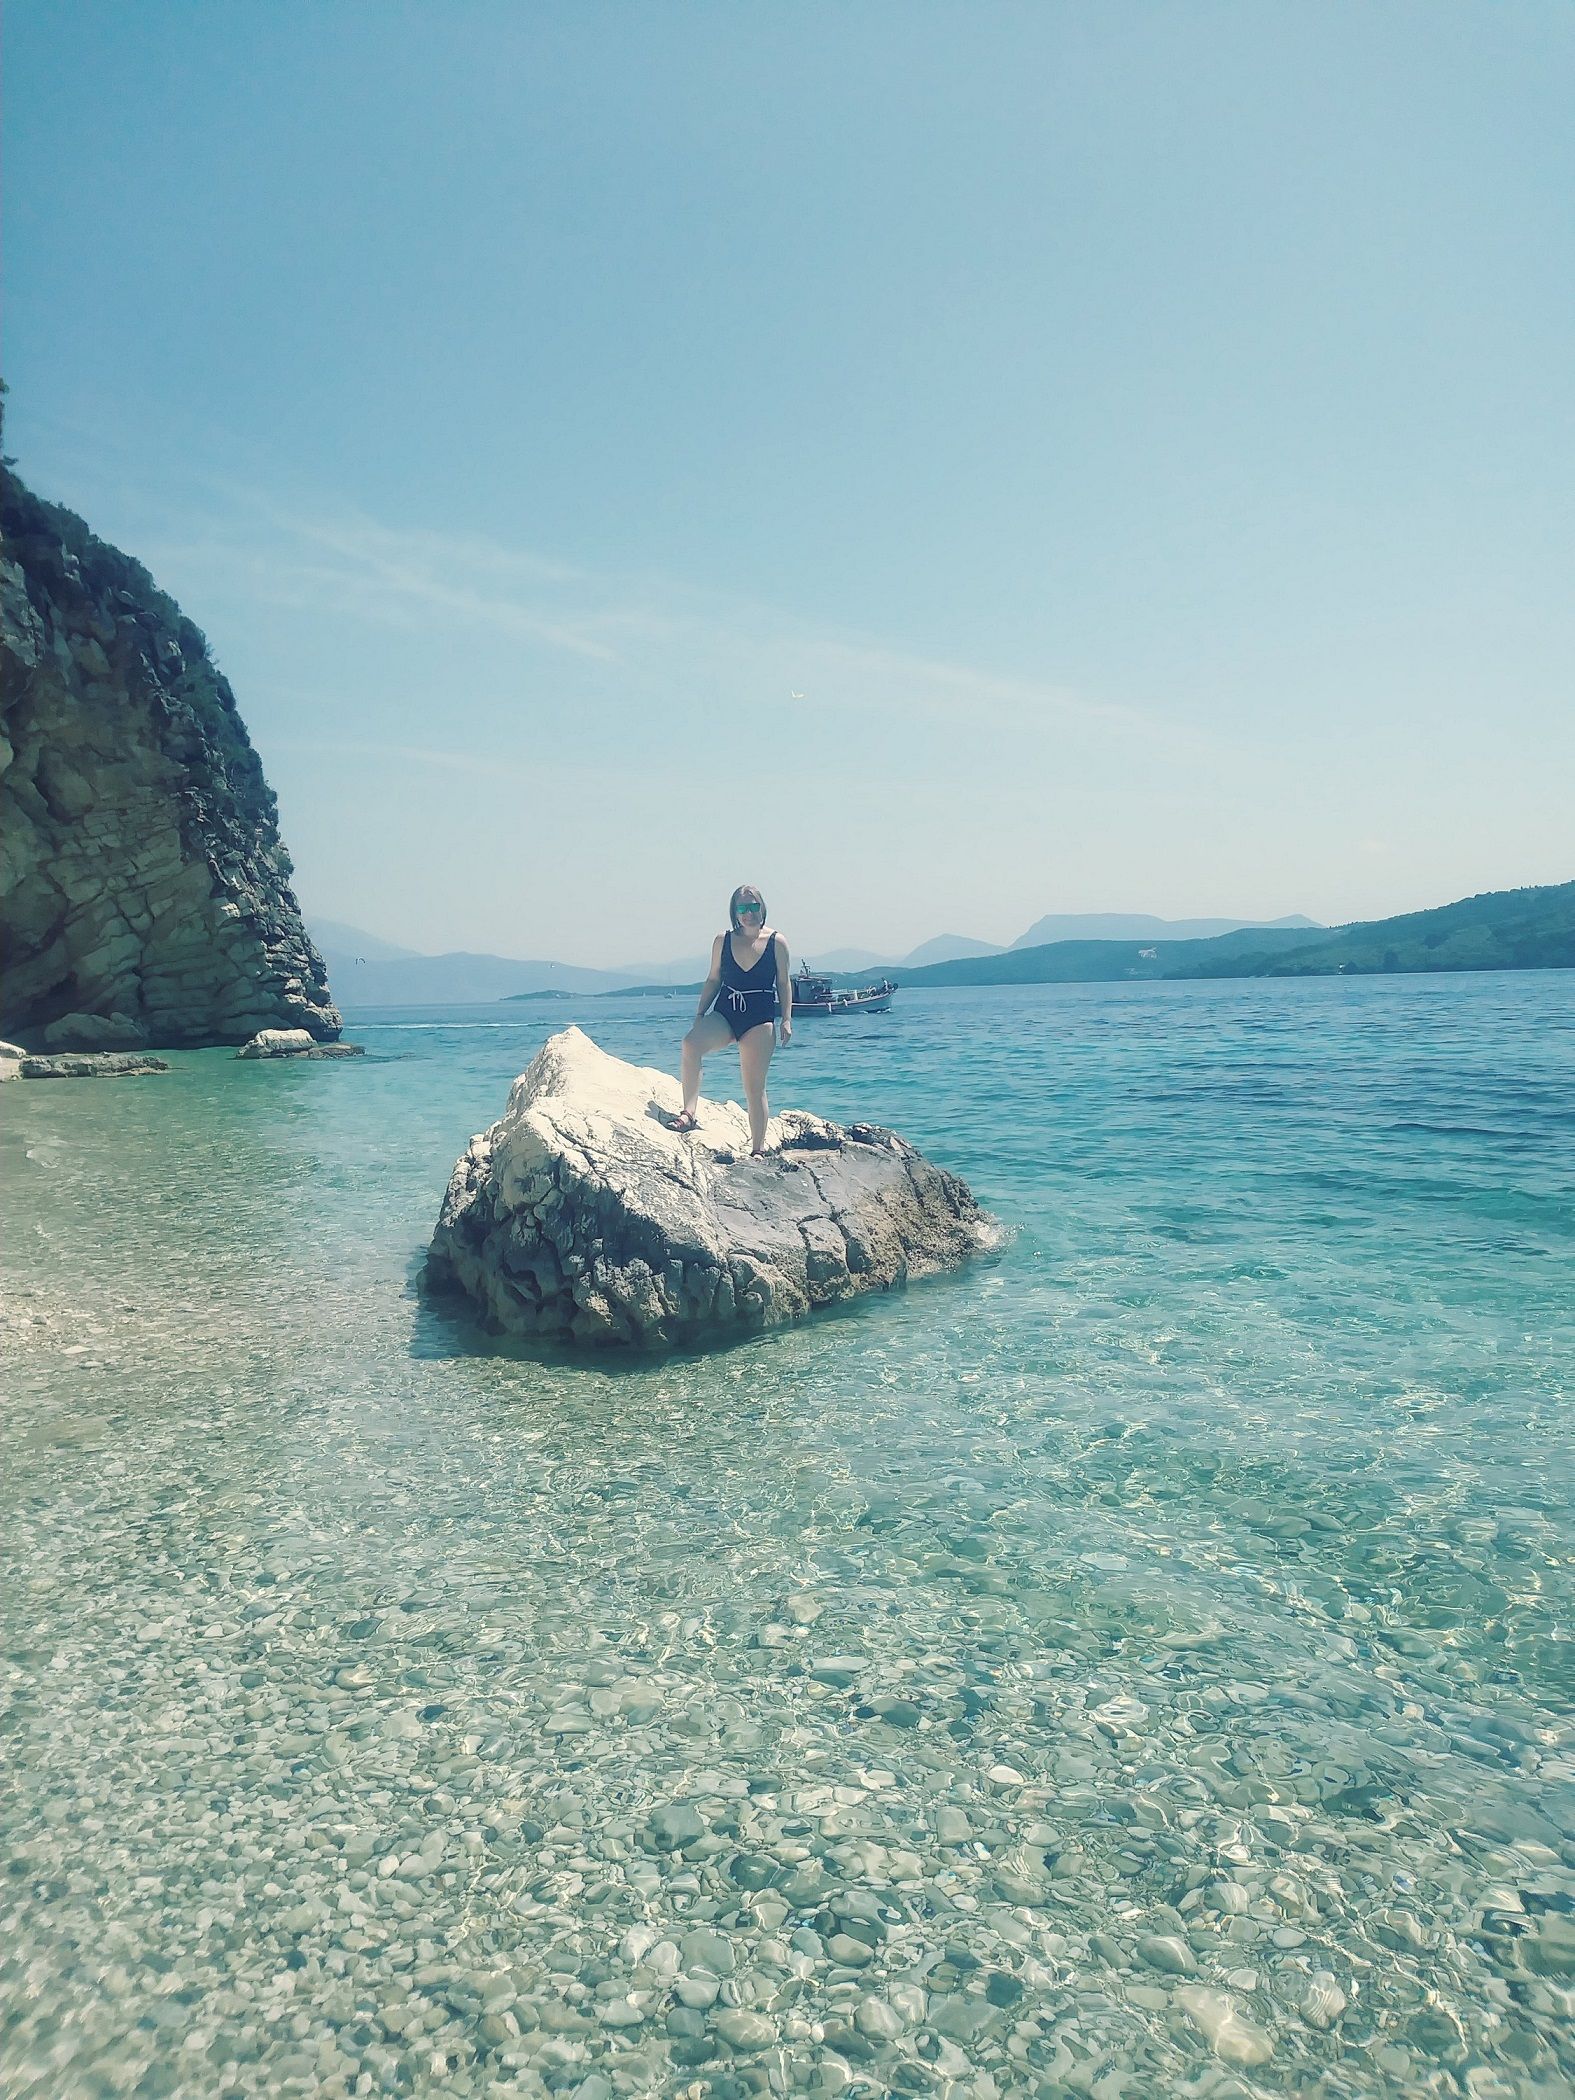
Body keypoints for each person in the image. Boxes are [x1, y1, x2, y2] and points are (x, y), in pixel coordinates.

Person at [673, 884, 792, 1156]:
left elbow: (784, 983)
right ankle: (688, 1114)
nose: (749, 913)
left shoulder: (777, 941)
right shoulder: (722, 940)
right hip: (726, 1012)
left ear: (762, 908)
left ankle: (758, 1149)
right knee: (691, 1045)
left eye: (753, 906)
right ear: (734, 913)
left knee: (754, 1085)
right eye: (742, 908)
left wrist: (786, 1019)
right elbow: (713, 978)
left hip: (759, 1017)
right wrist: (700, 1014)